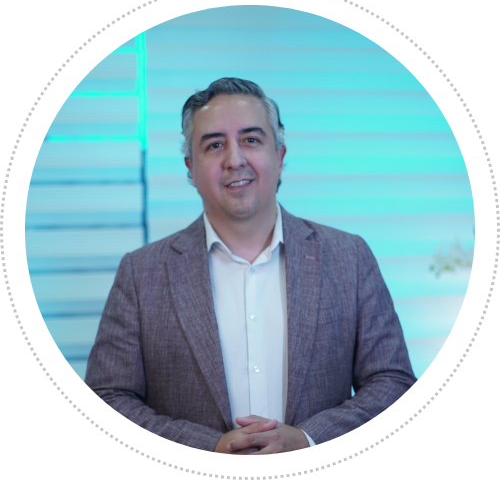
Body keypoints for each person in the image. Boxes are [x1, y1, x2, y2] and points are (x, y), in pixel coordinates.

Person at [85, 77, 416, 454]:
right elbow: (108, 398)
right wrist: (207, 449)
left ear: (280, 155)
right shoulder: (141, 273)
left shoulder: (349, 257)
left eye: (251, 140)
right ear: (191, 168)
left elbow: (393, 382)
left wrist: (309, 440)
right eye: (214, 145)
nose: (234, 160)